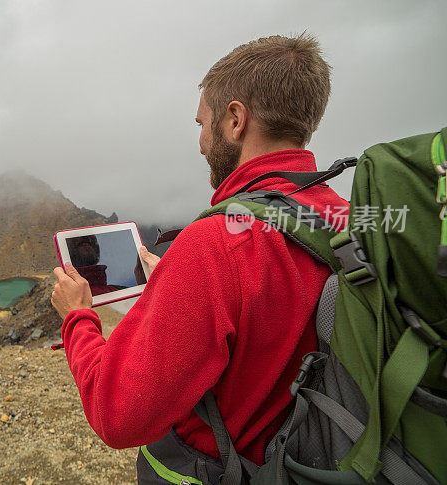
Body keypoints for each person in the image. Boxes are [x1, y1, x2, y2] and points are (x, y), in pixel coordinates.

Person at [50, 34, 350, 479]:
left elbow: (118, 415)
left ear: (235, 120)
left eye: (201, 124)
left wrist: (78, 316)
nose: (201, 142)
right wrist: (174, 288)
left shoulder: (214, 245)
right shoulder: (344, 217)